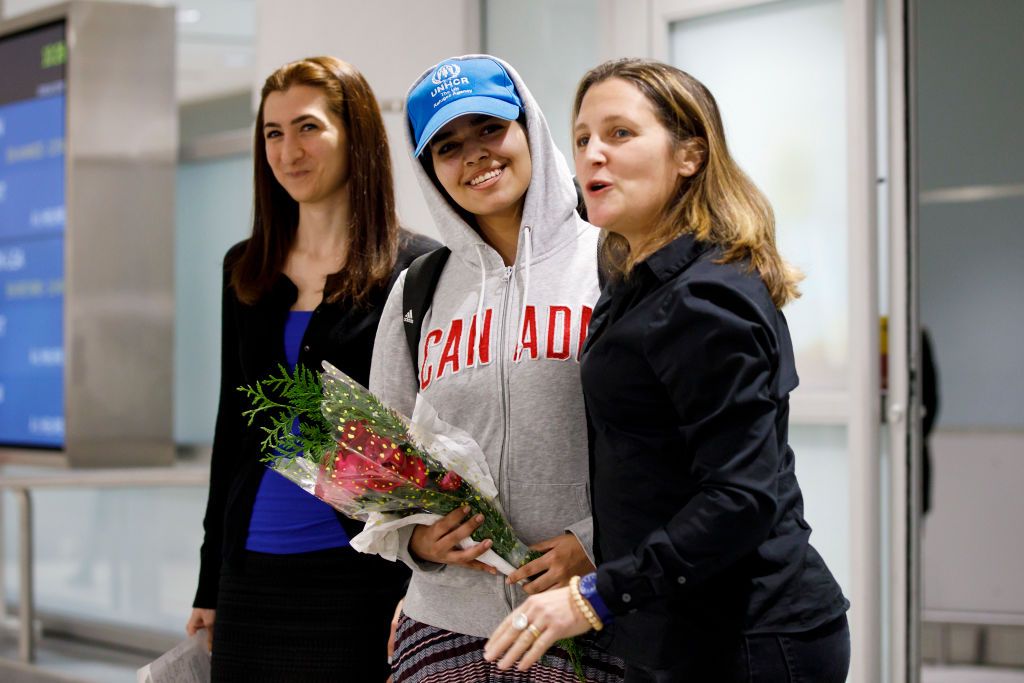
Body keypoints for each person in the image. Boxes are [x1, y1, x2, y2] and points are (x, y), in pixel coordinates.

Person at [484, 58, 851, 682]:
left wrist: (594, 594)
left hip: (750, 638)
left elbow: (741, 498)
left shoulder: (705, 297)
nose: (592, 154)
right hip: (676, 626)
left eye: (620, 134)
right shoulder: (635, 279)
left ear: (690, 156)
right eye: (581, 139)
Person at [368, 55, 624, 682]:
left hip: (589, 613)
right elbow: (381, 452)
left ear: (529, 127)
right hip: (445, 626)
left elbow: (666, 443)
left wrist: (599, 545)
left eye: (490, 128)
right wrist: (415, 541)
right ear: (431, 170)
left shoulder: (614, 260)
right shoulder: (417, 292)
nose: (476, 155)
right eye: (449, 146)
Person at [185, 56, 436, 681]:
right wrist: (209, 579)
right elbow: (234, 428)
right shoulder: (245, 270)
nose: (288, 151)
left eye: (307, 128)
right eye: (272, 133)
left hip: (358, 575)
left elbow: (425, 434)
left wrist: (419, 587)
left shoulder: (417, 269)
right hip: (249, 573)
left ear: (355, 136)